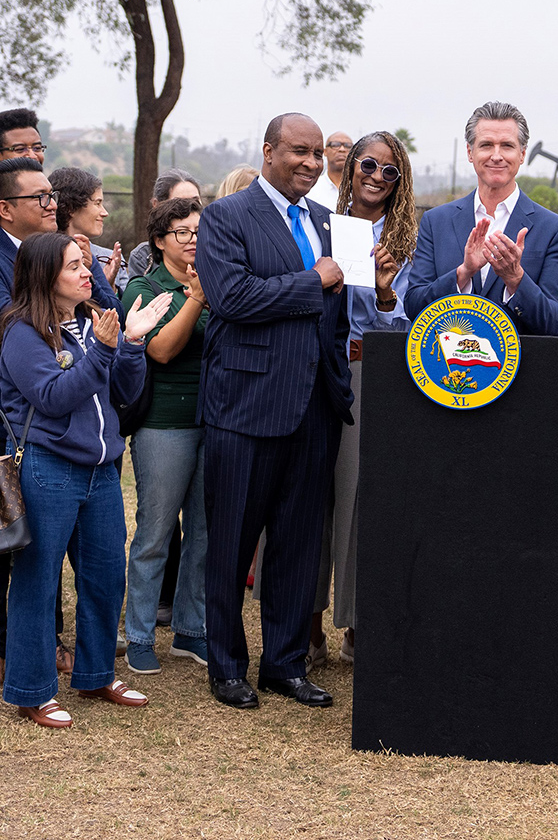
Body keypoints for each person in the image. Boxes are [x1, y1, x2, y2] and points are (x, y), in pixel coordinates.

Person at [196, 112, 352, 710]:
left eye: (318, 154)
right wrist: (313, 281)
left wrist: (377, 289)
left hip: (315, 407)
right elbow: (232, 298)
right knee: (233, 541)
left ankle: (283, 665)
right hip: (246, 406)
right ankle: (227, 666)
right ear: (268, 151)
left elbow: (340, 305)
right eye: (300, 152)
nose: (312, 163)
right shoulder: (226, 216)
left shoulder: (326, 221)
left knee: (297, 542)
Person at [0, 231, 170, 728]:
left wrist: (131, 344)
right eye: (75, 265)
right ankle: (31, 689)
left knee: (103, 575)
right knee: (38, 580)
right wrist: (102, 350)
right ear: (45, 275)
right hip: (48, 468)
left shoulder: (87, 322)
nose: (87, 272)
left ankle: (96, 674)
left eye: (85, 264)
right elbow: (53, 397)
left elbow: (124, 391)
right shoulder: (19, 333)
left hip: (101, 469)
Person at [309, 130, 416, 666]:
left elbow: (396, 328)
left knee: (354, 499)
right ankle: (305, 627)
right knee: (306, 499)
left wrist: (383, 289)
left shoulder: (408, 239)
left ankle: (353, 623)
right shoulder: (316, 224)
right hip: (308, 372)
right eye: (368, 165)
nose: (377, 176)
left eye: (389, 171)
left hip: (363, 373)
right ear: (349, 167)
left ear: (401, 182)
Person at [123, 197, 209, 676]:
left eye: (199, 230)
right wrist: (196, 298)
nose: (193, 239)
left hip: (213, 420)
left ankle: (190, 630)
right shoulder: (143, 285)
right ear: (159, 240)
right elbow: (159, 350)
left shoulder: (215, 278)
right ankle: (138, 634)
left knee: (203, 532)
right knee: (156, 534)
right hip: (164, 425)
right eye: (183, 231)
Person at [405, 101, 558, 336]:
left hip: (519, 368)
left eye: (507, 146)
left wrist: (515, 277)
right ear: (470, 152)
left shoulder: (554, 229)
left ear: (522, 154)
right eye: (486, 145)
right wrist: (463, 272)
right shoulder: (435, 222)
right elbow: (413, 306)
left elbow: (554, 323)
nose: (496, 156)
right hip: (445, 367)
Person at [49, 167, 125, 293]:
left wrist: (108, 287)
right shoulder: (42, 257)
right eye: (97, 203)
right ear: (71, 208)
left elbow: (127, 311)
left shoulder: (111, 259)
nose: (105, 213)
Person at [127, 169, 203, 280]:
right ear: (156, 205)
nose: (189, 207)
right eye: (179, 202)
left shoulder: (216, 249)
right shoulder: (143, 257)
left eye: (195, 201)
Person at [308, 132, 352, 209]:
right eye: (335, 145)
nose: (342, 149)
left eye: (348, 146)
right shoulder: (311, 188)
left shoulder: (359, 189)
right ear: (325, 152)